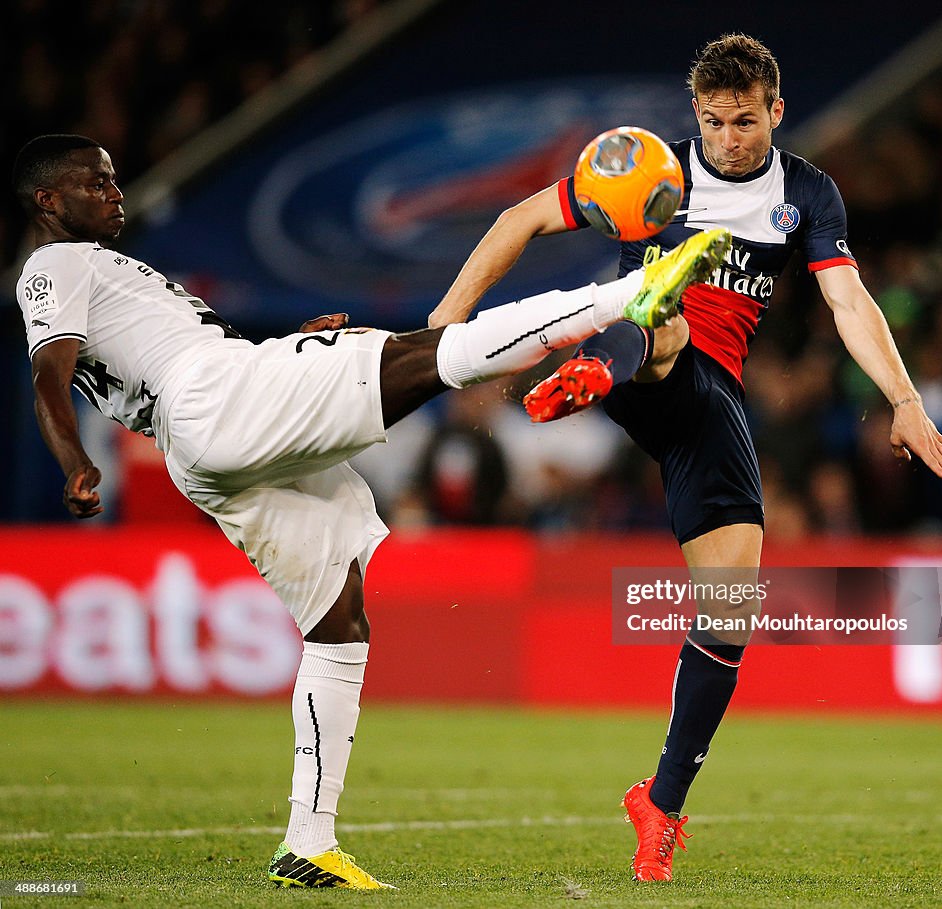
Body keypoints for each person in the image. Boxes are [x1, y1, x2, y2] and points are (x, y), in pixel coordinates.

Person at [11, 133, 730, 890]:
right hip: (214, 403)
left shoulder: (100, 270)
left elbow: (168, 361)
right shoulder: (54, 265)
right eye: (97, 183)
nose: (116, 193)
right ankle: (624, 299)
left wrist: (289, 350)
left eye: (115, 178)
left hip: (213, 433)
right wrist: (76, 462)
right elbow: (47, 374)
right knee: (426, 355)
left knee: (338, 620)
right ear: (49, 202)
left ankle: (307, 841)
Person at [428, 33, 942, 883]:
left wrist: (904, 400)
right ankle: (602, 362)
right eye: (714, 122)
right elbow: (519, 217)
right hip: (643, 352)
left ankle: (662, 803)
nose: (728, 139)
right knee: (665, 308)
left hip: (708, 407)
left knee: (731, 610)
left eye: (745, 121)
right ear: (696, 118)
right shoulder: (651, 170)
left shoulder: (807, 192)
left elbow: (847, 296)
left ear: (776, 112)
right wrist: (441, 330)